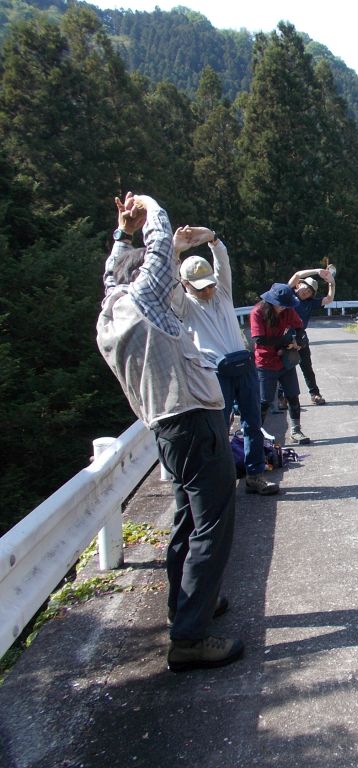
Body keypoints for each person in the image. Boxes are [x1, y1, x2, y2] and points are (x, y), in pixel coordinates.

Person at [96, 193, 242, 672]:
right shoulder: (146, 303)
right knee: (213, 524)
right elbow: (158, 252)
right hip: (195, 420)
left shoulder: (110, 314)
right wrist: (150, 207)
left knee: (185, 518)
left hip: (166, 428)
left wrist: (121, 234)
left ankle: (187, 607)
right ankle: (190, 637)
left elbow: (115, 272)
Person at [175, 230, 278, 496]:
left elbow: (223, 264)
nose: (208, 290)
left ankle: (254, 475)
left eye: (210, 284)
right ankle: (221, 480)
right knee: (218, 429)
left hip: (243, 369)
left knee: (253, 423)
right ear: (185, 283)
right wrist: (174, 252)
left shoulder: (222, 294)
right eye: (202, 287)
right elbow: (166, 282)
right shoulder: (184, 305)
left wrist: (213, 238)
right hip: (214, 373)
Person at [250, 283, 312, 445]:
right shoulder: (257, 312)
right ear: (272, 302)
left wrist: (299, 341)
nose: (284, 308)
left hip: (285, 361)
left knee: (293, 395)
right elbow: (259, 339)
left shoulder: (288, 310)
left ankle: (296, 430)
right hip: (266, 362)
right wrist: (284, 342)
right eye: (282, 305)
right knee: (265, 401)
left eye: (286, 305)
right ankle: (256, 435)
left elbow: (299, 327)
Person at [287, 266, 336, 406]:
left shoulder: (309, 303)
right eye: (305, 288)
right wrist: (317, 271)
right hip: (284, 336)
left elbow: (329, 299)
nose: (306, 293)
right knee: (284, 368)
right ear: (298, 285)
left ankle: (315, 394)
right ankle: (282, 397)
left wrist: (332, 283)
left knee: (307, 367)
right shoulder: (288, 294)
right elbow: (297, 274)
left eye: (309, 292)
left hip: (300, 336)